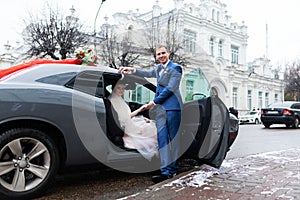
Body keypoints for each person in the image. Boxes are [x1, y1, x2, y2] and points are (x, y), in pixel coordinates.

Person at [119, 45, 183, 183]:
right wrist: (133, 70)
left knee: (173, 140)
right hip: (160, 110)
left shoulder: (176, 68)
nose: (161, 56)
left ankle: (173, 168)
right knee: (162, 140)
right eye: (158, 54)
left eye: (163, 53)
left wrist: (153, 102)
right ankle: (165, 171)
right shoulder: (159, 68)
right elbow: (147, 73)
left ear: (168, 53)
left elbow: (171, 89)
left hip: (172, 108)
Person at [108, 81, 158, 161]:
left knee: (147, 122)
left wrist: (140, 118)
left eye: (123, 88)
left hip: (127, 122)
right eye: (118, 88)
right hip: (125, 125)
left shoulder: (117, 98)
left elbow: (126, 116)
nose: (121, 90)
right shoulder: (114, 100)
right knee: (152, 127)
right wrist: (140, 110)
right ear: (113, 89)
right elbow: (125, 118)